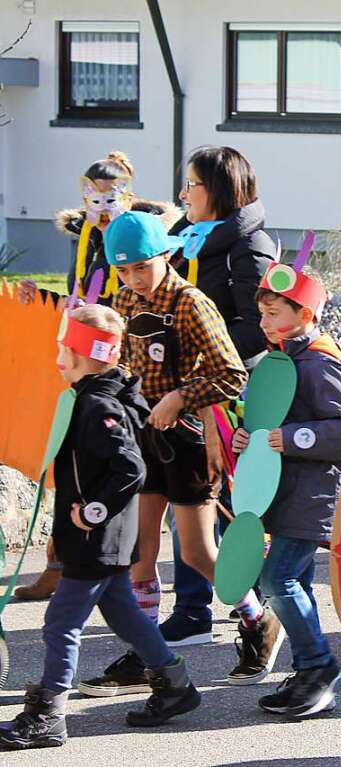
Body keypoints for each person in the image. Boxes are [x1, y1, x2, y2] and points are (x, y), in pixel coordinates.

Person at [75, 212, 273, 697]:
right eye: (124, 271)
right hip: (142, 439)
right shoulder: (123, 301)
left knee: (197, 552)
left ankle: (257, 620)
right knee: (141, 551)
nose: (133, 279)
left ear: (167, 255)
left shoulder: (192, 303)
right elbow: (126, 362)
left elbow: (232, 374)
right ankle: (148, 653)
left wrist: (179, 398)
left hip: (187, 440)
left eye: (142, 267)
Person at [0, 304, 200, 750]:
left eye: (63, 348)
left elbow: (129, 467)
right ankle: (175, 685)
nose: (58, 357)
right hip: (106, 537)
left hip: (96, 536)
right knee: (123, 612)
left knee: (59, 623)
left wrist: (93, 510)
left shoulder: (97, 404)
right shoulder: (101, 394)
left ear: (79, 353)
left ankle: (48, 715)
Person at [14, 150, 176, 603]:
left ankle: (110, 578)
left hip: (120, 373)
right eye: (93, 201)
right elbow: (79, 298)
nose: (102, 210)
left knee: (116, 474)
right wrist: (41, 296)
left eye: (111, 200)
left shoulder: (142, 245)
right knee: (72, 470)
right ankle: (61, 567)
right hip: (92, 360)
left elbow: (133, 304)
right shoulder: (87, 236)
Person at [160, 146, 274, 648]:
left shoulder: (248, 247)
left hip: (227, 392)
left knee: (225, 503)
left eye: (193, 184)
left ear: (221, 189)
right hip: (187, 389)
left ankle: (255, 606)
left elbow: (257, 328)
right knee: (189, 495)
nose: (183, 194)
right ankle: (193, 610)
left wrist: (202, 365)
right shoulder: (189, 241)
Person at [229, 268, 341, 717]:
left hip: (314, 492)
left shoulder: (321, 362)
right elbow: (264, 421)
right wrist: (245, 438)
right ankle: (306, 672)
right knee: (292, 580)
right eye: (262, 313)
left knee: (275, 578)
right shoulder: (281, 360)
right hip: (280, 490)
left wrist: (296, 436)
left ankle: (321, 667)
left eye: (273, 313)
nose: (263, 322)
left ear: (305, 313)